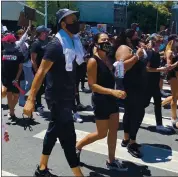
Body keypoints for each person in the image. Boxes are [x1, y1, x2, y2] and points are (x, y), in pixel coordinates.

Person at [23, 8, 84, 176]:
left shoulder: (73, 42)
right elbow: (41, 71)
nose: (77, 23)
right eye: (73, 20)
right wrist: (31, 98)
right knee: (68, 137)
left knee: (54, 131)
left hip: (66, 95)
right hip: (57, 97)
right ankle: (78, 174)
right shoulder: (56, 45)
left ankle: (42, 168)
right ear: (63, 24)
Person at [76, 33, 127, 171]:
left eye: (108, 39)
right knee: (101, 133)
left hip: (112, 100)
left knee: (114, 131)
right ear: (96, 43)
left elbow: (117, 75)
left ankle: (111, 160)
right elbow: (92, 85)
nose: (107, 41)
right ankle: (78, 146)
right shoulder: (93, 61)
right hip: (100, 100)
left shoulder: (110, 58)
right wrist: (112, 92)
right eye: (103, 40)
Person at [115, 29, 145, 158]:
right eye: (135, 35)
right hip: (131, 89)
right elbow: (120, 68)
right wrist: (137, 56)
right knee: (137, 114)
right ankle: (131, 142)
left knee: (130, 113)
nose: (137, 37)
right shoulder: (124, 48)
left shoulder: (132, 48)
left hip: (136, 88)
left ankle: (127, 139)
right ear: (127, 38)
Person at [144, 36, 171, 133]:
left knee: (158, 103)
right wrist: (160, 69)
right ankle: (132, 118)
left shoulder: (155, 53)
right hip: (149, 82)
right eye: (159, 42)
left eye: (161, 42)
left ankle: (159, 125)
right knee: (144, 104)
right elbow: (147, 68)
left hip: (154, 83)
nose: (161, 44)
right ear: (155, 42)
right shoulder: (151, 53)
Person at [2, 34, 24, 120]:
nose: (3, 44)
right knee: (9, 95)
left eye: (5, 42)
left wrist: (17, 79)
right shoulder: (3, 52)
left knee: (16, 95)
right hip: (6, 78)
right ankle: (11, 112)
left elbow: (20, 68)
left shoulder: (19, 54)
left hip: (16, 78)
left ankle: (11, 110)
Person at [30, 25, 50, 115]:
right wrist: (37, 70)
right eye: (45, 32)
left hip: (46, 69)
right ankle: (38, 105)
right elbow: (33, 59)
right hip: (38, 69)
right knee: (39, 87)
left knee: (47, 87)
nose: (47, 33)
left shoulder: (46, 41)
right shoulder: (36, 44)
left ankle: (37, 101)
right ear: (41, 33)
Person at [165, 35, 178, 131]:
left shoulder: (175, 51)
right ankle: (173, 117)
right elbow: (169, 66)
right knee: (174, 96)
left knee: (176, 95)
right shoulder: (169, 52)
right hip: (173, 75)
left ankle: (162, 103)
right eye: (176, 40)